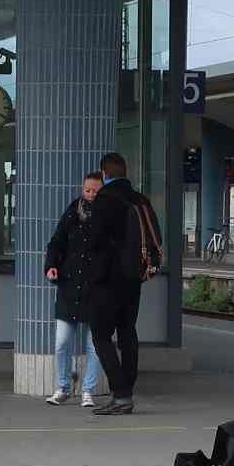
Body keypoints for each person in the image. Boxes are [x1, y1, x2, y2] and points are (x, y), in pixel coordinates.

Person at [84, 152, 160, 416]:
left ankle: (121, 393)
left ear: (104, 174)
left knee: (101, 336)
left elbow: (94, 241)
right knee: (128, 332)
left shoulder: (105, 199)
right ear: (124, 172)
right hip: (133, 280)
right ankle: (127, 389)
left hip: (107, 281)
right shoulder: (140, 199)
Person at [43, 173, 107, 408]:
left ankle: (88, 390)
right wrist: (51, 266)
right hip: (69, 287)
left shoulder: (108, 216)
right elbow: (56, 242)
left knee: (95, 345)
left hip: (96, 289)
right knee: (61, 342)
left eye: (95, 191)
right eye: (87, 190)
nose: (90, 194)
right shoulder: (72, 211)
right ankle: (63, 387)